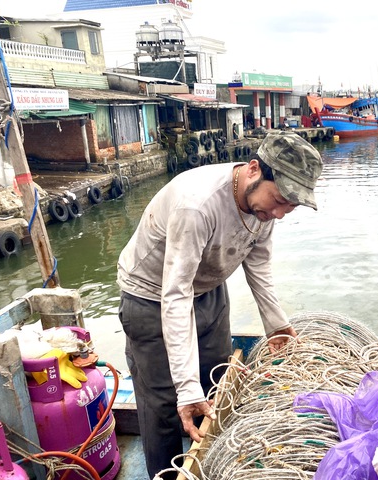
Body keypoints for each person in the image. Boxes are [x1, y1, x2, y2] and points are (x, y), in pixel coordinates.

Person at [116, 131, 323, 479]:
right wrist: (185, 387)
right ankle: (167, 474)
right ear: (255, 169)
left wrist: (276, 325)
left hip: (208, 289)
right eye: (280, 200)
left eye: (291, 206)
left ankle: (210, 464)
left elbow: (258, 267)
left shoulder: (264, 210)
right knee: (166, 404)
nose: (280, 213)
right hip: (151, 296)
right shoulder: (196, 205)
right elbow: (175, 292)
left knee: (216, 382)